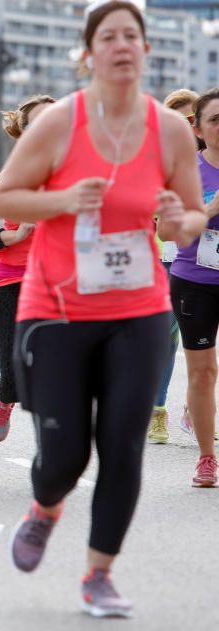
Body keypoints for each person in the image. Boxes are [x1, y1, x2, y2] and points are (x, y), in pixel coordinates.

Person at [0, 1, 205, 617]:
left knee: (123, 443)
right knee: (64, 456)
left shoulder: (167, 131)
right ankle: (45, 506)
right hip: (55, 307)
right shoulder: (60, 123)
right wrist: (58, 203)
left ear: (146, 50)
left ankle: (98, 574)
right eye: (107, 36)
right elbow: (3, 199)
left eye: (131, 35)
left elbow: (189, 222)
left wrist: (176, 219)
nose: (120, 45)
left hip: (137, 309)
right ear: (88, 53)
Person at [0, 95, 56, 442]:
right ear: (24, 133)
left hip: (58, 286)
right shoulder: (11, 180)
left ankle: (51, 458)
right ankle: (3, 395)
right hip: (12, 286)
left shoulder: (76, 178)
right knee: (17, 380)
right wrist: (11, 235)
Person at [170, 87, 219, 487]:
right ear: (199, 128)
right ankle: (206, 457)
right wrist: (210, 208)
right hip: (195, 280)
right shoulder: (185, 170)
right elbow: (168, 229)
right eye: (214, 120)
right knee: (203, 372)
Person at [151, 88, 197, 444]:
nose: (191, 127)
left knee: (204, 344)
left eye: (196, 120)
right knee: (166, 340)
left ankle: (195, 407)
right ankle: (157, 410)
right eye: (183, 120)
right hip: (164, 259)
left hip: (205, 261)